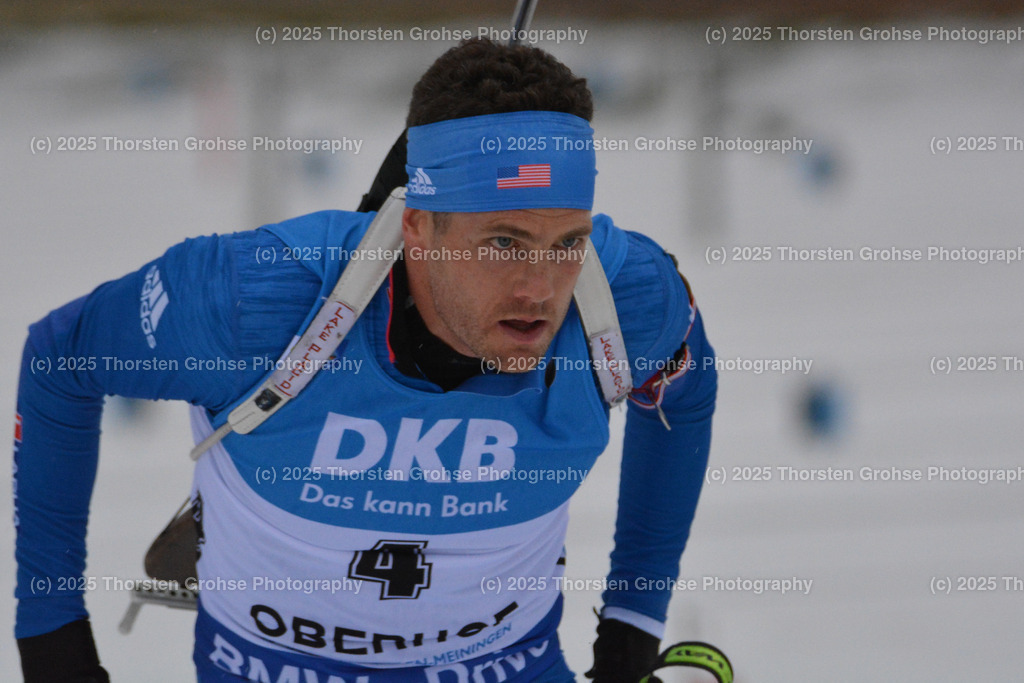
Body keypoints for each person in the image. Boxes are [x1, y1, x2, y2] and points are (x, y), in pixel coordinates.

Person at [14, 38, 717, 682]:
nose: (539, 290)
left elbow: (687, 393)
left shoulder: (625, 304)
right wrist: (53, 643)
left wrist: (633, 620)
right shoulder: (251, 303)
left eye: (566, 243)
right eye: (502, 243)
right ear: (418, 226)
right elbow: (60, 359)